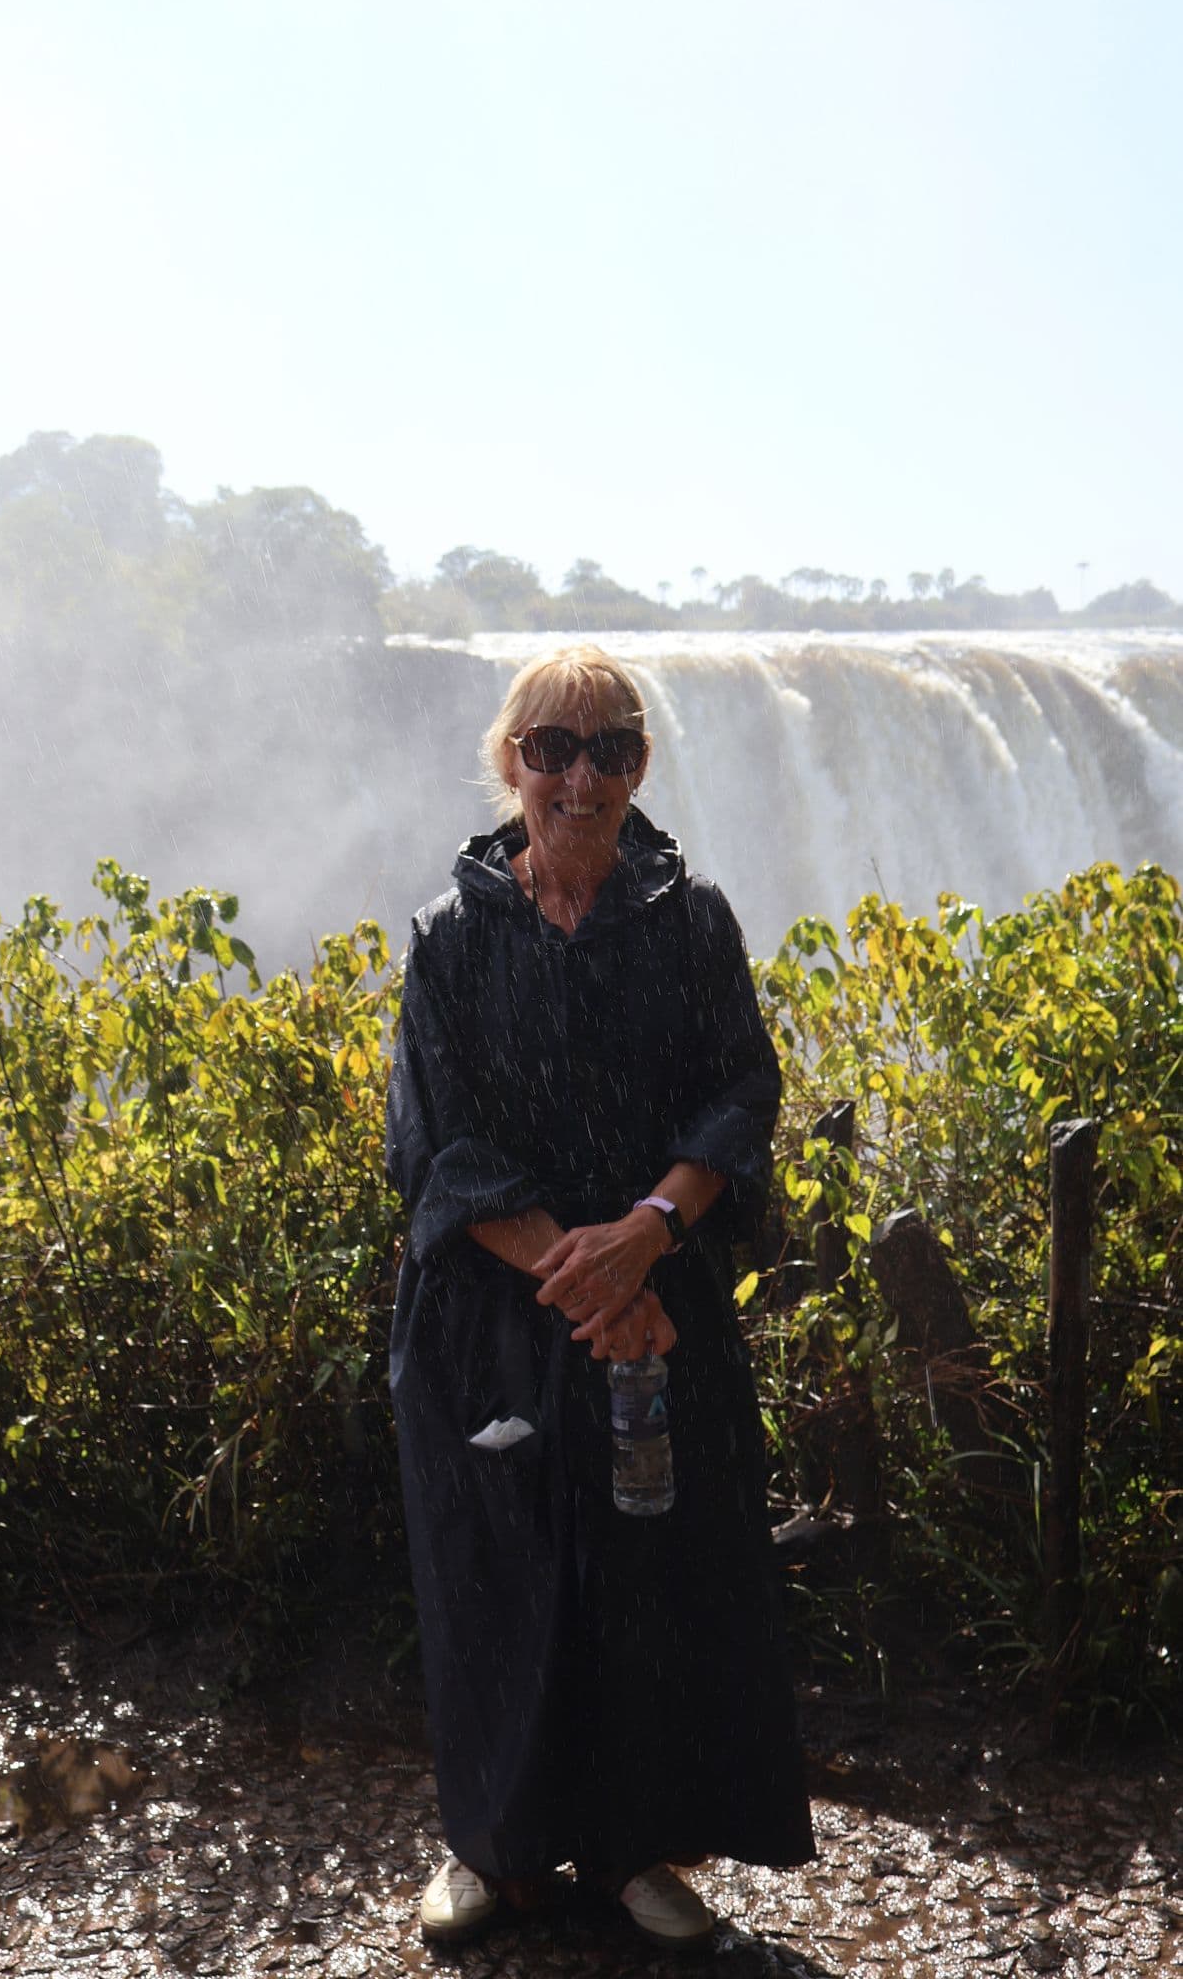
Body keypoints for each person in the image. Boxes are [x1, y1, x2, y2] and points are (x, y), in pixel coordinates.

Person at [386, 642, 815, 1950]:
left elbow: (739, 1092)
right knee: (494, 1578)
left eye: (610, 748)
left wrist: (647, 1231)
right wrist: (588, 1277)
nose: (580, 776)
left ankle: (641, 1853)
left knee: (655, 1577)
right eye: (552, 749)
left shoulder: (690, 923)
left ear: (639, 765)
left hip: (660, 1301)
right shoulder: (451, 941)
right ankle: (495, 1855)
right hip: (494, 1320)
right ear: (508, 761)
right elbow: (435, 1144)